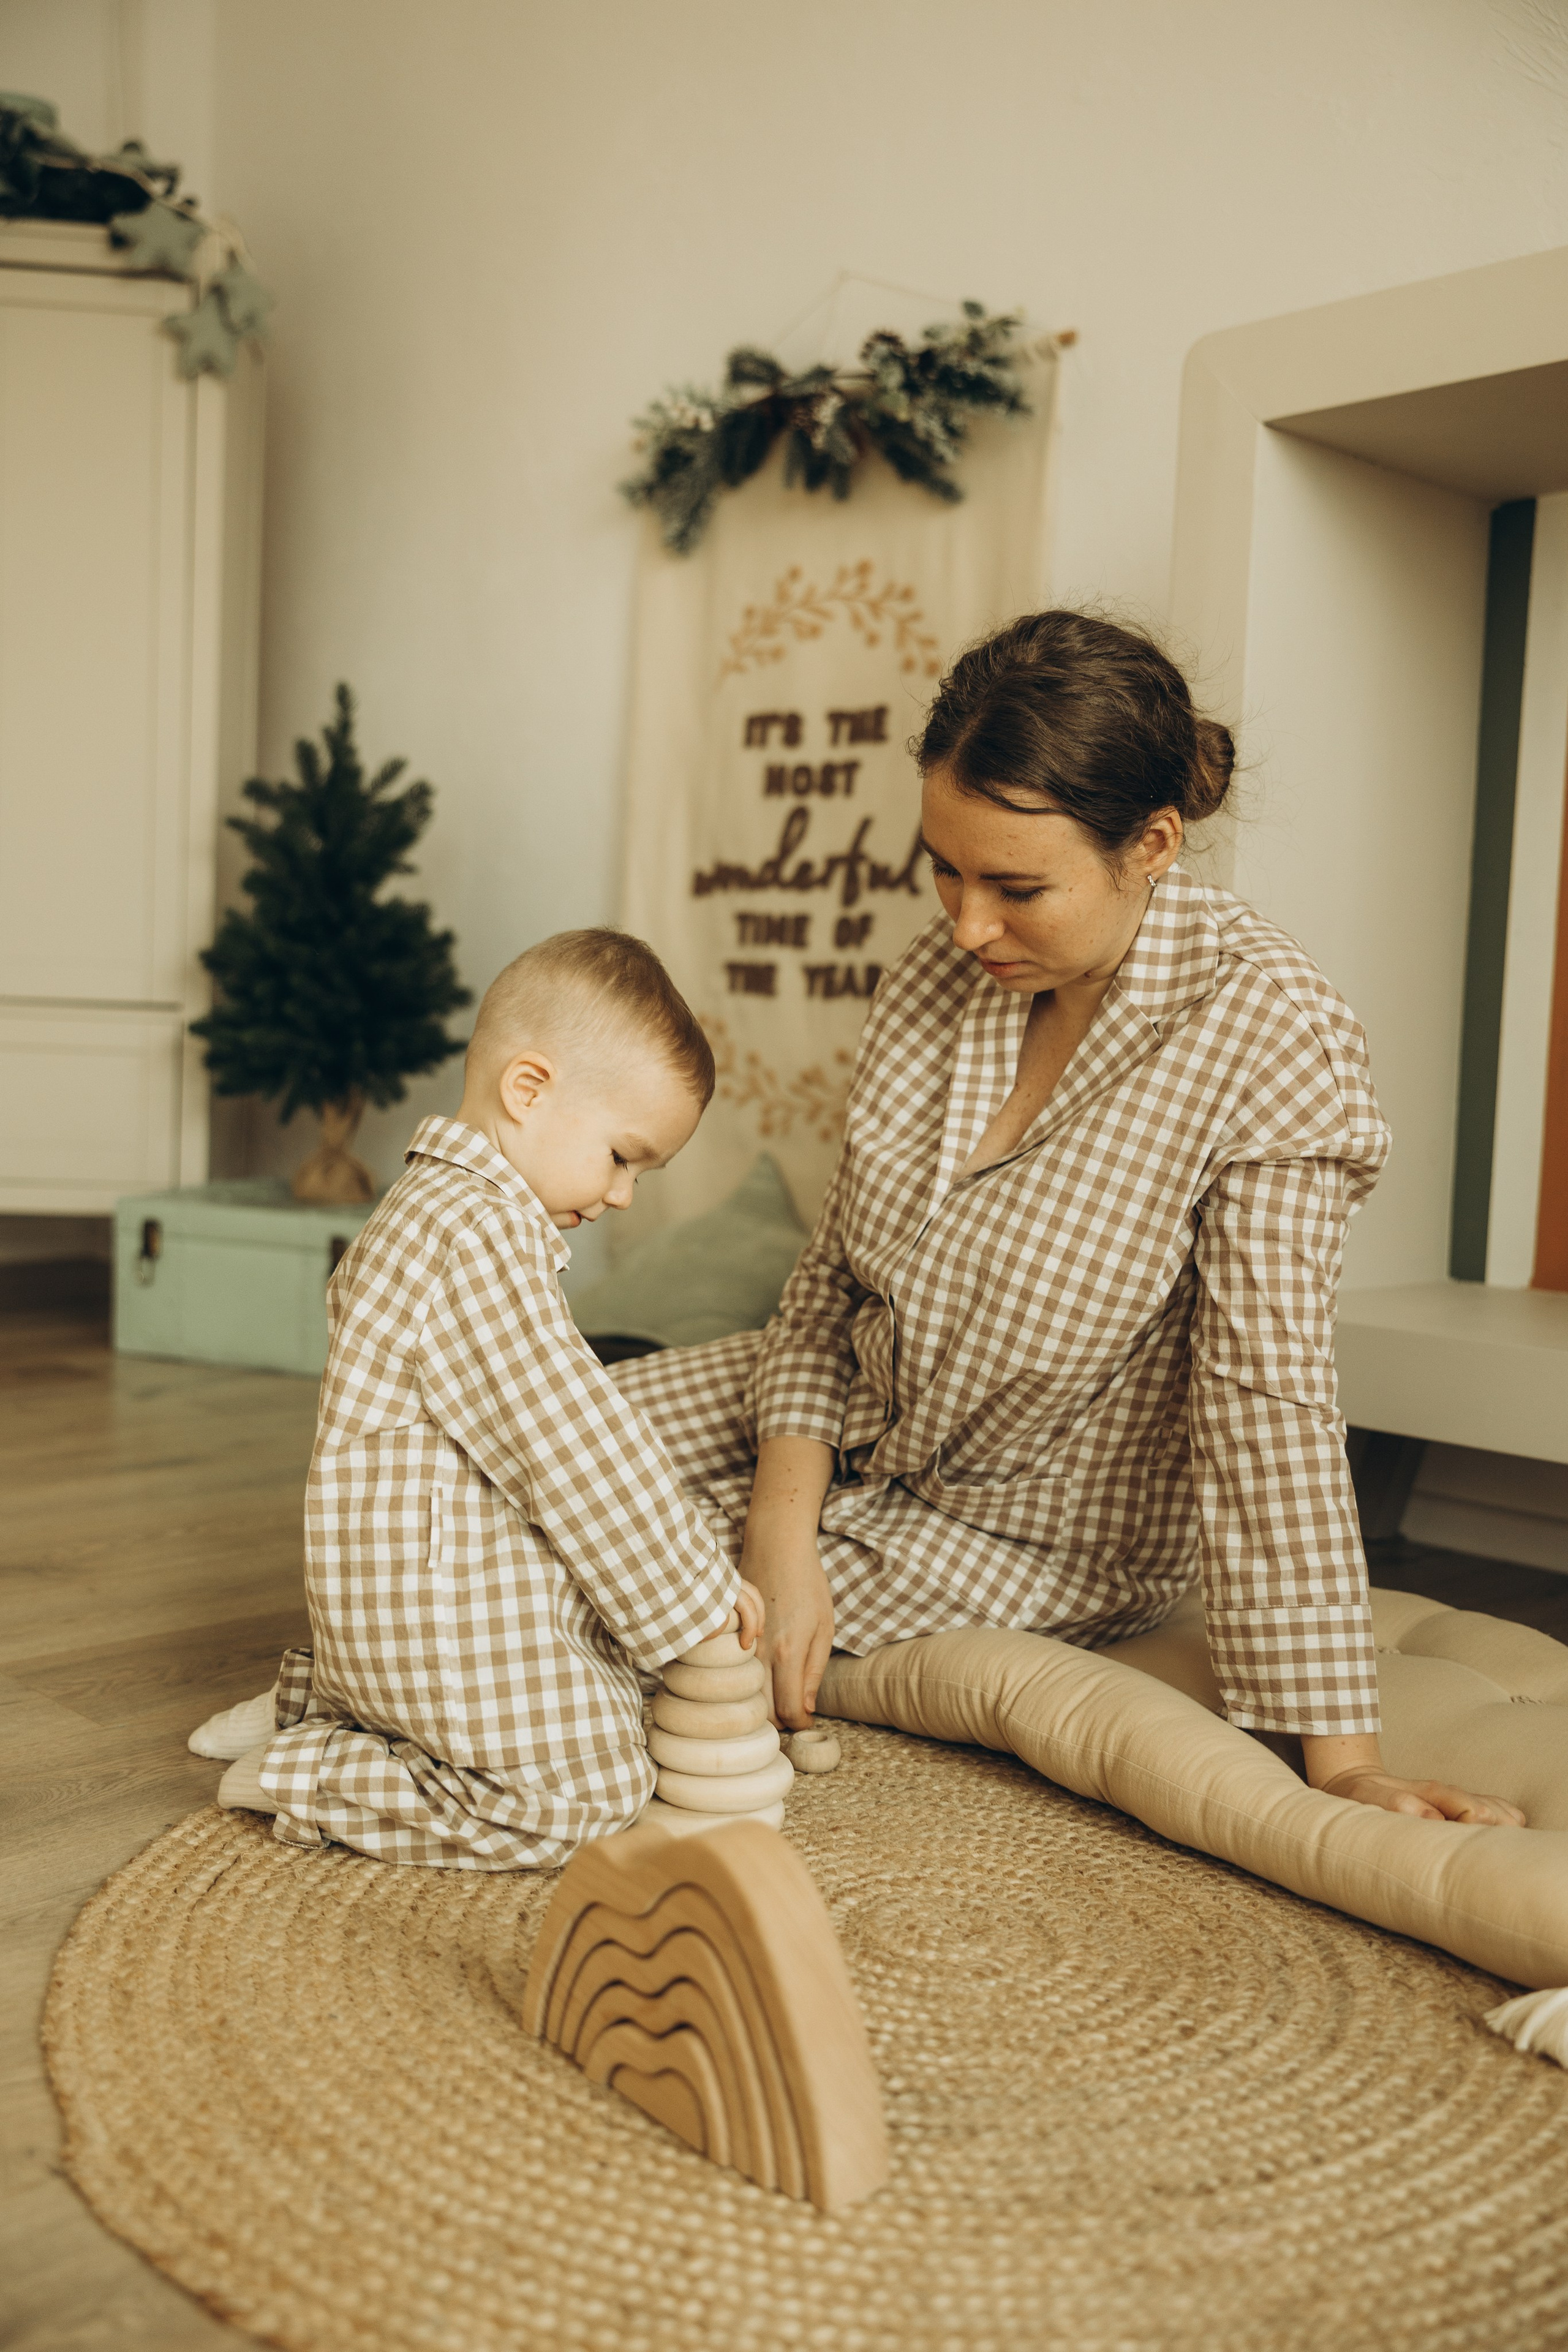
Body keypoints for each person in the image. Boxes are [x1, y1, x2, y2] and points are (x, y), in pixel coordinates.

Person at [616, 611, 1523, 1828]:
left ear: (1150, 845)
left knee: (607, 1588)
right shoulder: (938, 981)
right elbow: (830, 1278)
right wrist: (781, 1527)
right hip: (848, 1414)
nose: (962, 925)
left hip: (1031, 1523)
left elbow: (1266, 1403)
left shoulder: (1270, 1038)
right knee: (529, 1447)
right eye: (940, 866)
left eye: (1015, 886)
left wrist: (1344, 1765)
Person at [194, 929, 763, 1868]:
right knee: (589, 1793)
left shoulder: (432, 1210)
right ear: (528, 1091)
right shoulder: (473, 1241)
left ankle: (326, 1705)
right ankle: (316, 1773)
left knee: (615, 1679)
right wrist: (694, 1592)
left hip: (394, 1593)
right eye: (623, 1156)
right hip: (429, 1603)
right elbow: (574, 1452)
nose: (624, 1195)